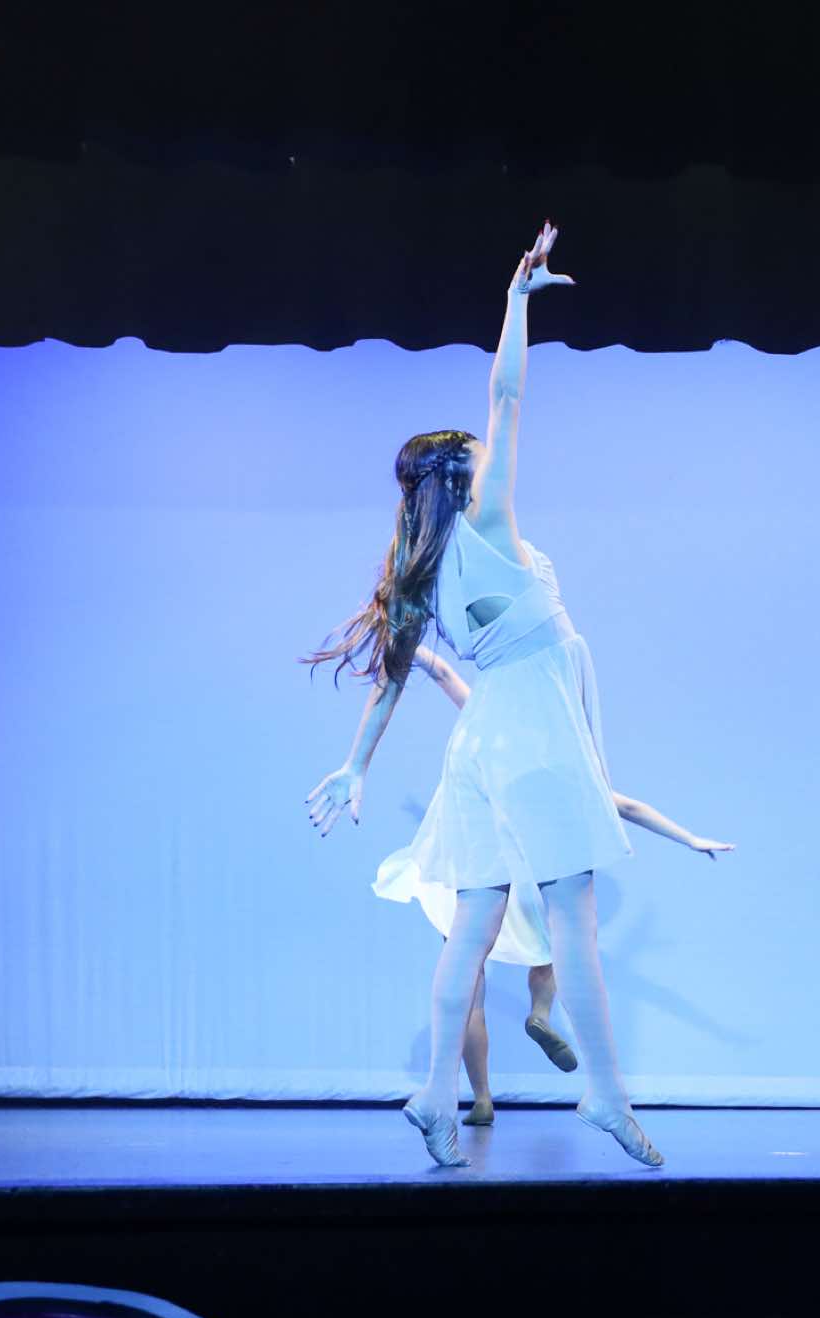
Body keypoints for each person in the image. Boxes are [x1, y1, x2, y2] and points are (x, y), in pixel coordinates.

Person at [305, 222, 669, 1167]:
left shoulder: (420, 566)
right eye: (475, 448)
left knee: (472, 926)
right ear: (462, 471)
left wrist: (354, 766)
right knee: (573, 915)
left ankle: (436, 1093)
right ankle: (605, 1092)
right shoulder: (489, 517)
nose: (486, 446)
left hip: (480, 744)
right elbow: (506, 396)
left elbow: (393, 679)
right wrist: (514, 302)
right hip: (532, 726)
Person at [389, 643, 732, 1127]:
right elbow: (627, 806)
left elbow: (443, 671)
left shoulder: (485, 728)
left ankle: (482, 1098)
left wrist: (407, 639)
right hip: (520, 880)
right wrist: (689, 838)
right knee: (551, 950)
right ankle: (540, 1012)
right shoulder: (552, 764)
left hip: (470, 875)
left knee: (469, 985)